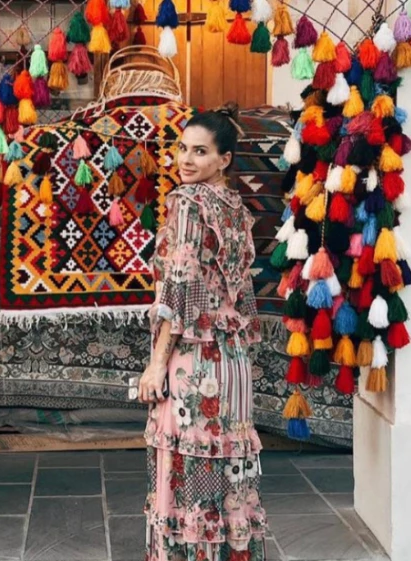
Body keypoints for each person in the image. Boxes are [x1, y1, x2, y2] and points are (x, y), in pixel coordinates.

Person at [138, 103, 267, 561]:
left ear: (224, 159)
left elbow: (180, 288)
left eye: (200, 152)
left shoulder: (188, 203)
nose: (186, 160)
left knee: (190, 469)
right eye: (183, 149)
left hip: (196, 361)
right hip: (233, 362)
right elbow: (243, 294)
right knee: (229, 469)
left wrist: (157, 364)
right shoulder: (237, 209)